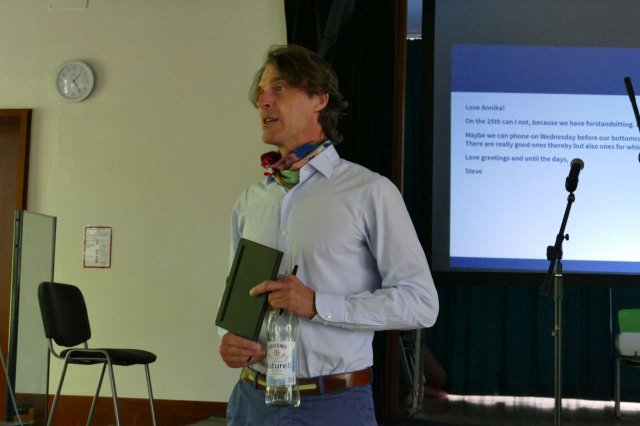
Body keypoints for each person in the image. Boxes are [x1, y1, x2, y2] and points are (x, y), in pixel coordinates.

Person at [218, 44, 439, 426]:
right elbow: (237, 294)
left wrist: (319, 304)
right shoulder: (251, 201)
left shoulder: (368, 192)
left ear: (320, 100)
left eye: (279, 88)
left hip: (333, 405)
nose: (264, 101)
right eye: (261, 93)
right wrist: (229, 339)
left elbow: (420, 303)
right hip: (251, 401)